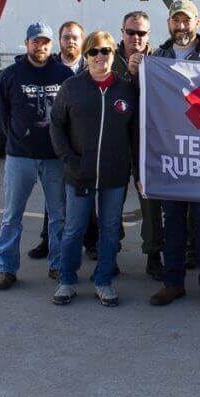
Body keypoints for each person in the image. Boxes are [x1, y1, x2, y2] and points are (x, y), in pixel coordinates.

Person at [149, 0, 200, 309]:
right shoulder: (158, 57)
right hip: (171, 154)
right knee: (173, 219)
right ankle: (173, 283)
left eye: (186, 21)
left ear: (196, 23)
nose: (181, 26)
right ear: (169, 23)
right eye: (176, 20)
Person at [49, 31, 138, 307]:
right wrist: (69, 160)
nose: (100, 57)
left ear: (114, 54)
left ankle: (103, 281)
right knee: (74, 229)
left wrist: (136, 170)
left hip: (114, 175)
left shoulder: (126, 89)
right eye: (93, 52)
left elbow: (135, 134)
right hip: (79, 174)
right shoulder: (72, 87)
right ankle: (67, 280)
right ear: (86, 56)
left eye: (106, 51)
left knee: (110, 229)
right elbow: (56, 126)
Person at [0, 23, 75, 291]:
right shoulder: (10, 75)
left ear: (52, 45)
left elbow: (70, 114)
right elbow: (1, 113)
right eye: (36, 42)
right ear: (26, 43)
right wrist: (19, 139)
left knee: (58, 215)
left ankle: (58, 264)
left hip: (54, 158)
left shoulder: (62, 74)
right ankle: (6, 269)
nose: (41, 47)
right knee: (12, 216)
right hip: (20, 158)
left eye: (45, 42)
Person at [28, 21, 94, 262]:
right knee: (53, 198)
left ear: (83, 39)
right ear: (60, 40)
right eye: (66, 37)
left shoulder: (91, 65)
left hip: (83, 142)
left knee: (87, 194)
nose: (71, 42)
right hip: (56, 143)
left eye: (75, 37)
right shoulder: (51, 67)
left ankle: (91, 241)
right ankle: (47, 241)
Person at [112, 11, 163, 281]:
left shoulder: (158, 60)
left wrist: (143, 73)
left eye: (141, 33)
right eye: (130, 32)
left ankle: (154, 255)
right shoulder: (108, 58)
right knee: (111, 202)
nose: (135, 38)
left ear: (148, 35)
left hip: (146, 145)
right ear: (122, 32)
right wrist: (129, 75)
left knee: (151, 205)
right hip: (117, 145)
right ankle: (110, 250)